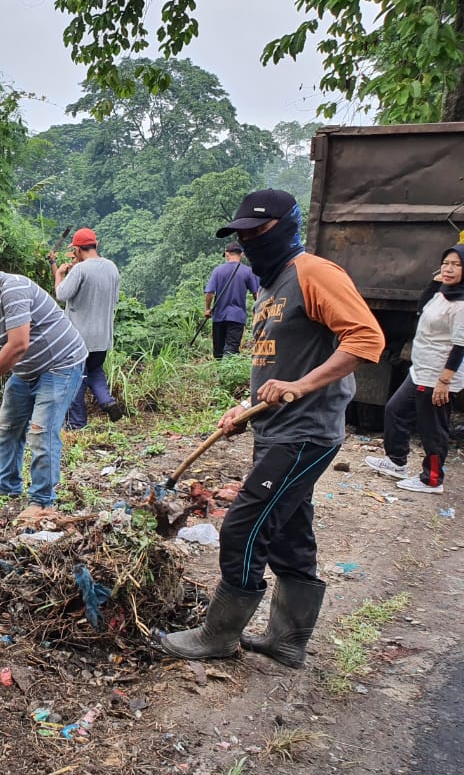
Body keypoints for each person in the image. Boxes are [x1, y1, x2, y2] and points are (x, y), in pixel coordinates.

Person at [158, 189, 384, 668]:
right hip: (276, 428)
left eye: (257, 231)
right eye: (241, 234)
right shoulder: (268, 284)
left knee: (242, 527)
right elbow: (275, 365)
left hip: (307, 432)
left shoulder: (315, 273)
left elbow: (368, 339)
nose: (248, 241)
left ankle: (218, 637)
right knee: (288, 532)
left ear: (286, 226)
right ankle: (287, 641)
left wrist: (302, 386)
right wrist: (244, 408)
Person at [0, 252, 88, 527]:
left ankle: (42, 501)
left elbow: (18, 344)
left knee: (41, 430)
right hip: (25, 369)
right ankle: (8, 484)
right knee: (9, 426)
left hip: (61, 365)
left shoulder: (13, 289)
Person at [364, 244, 464, 494]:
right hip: (421, 369)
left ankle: (432, 479)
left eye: (456, 264)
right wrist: (434, 284)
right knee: (395, 410)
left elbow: (461, 345)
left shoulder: (461, 304)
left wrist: (445, 380)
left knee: (432, 427)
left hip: (437, 376)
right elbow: (421, 309)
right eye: (446, 263)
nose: (449, 269)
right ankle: (397, 461)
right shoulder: (443, 293)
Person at [54, 227, 123, 427]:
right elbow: (115, 298)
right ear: (95, 245)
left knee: (74, 378)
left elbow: (61, 294)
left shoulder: (80, 270)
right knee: (94, 371)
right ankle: (107, 401)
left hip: (78, 338)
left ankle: (76, 423)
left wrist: (59, 274)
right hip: (103, 337)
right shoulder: (112, 267)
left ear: (76, 249)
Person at [204, 241, 260, 358]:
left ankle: (220, 373)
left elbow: (209, 293)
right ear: (242, 254)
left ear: (227, 253)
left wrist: (208, 309)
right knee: (231, 348)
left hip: (219, 317)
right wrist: (260, 312)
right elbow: (257, 295)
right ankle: (228, 373)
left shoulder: (217, 271)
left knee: (218, 351)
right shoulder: (248, 272)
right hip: (237, 317)